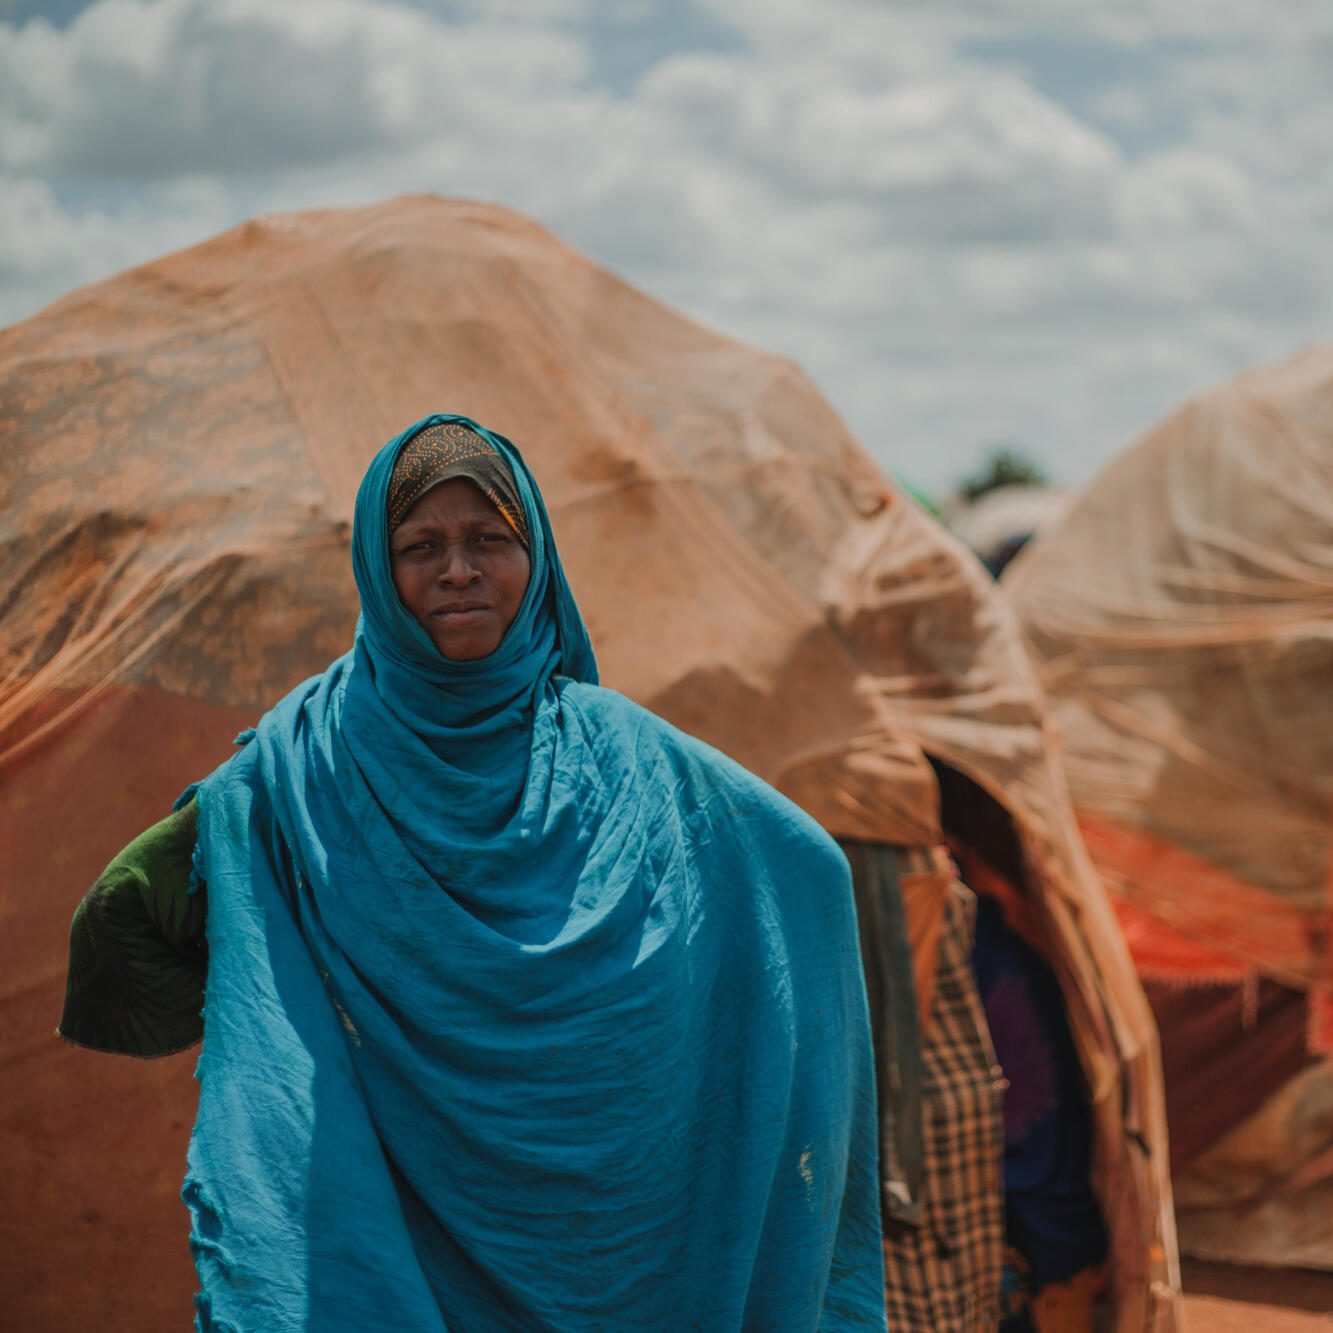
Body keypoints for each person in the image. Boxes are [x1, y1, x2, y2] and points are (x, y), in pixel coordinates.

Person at [60, 414, 888, 1332]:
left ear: (535, 557)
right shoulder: (303, 768)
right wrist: (268, 991)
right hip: (398, 1227)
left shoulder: (627, 756)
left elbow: (805, 867)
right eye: (420, 546)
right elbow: (121, 919)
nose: (457, 570)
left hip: (626, 1239)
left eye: (489, 539)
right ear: (379, 569)